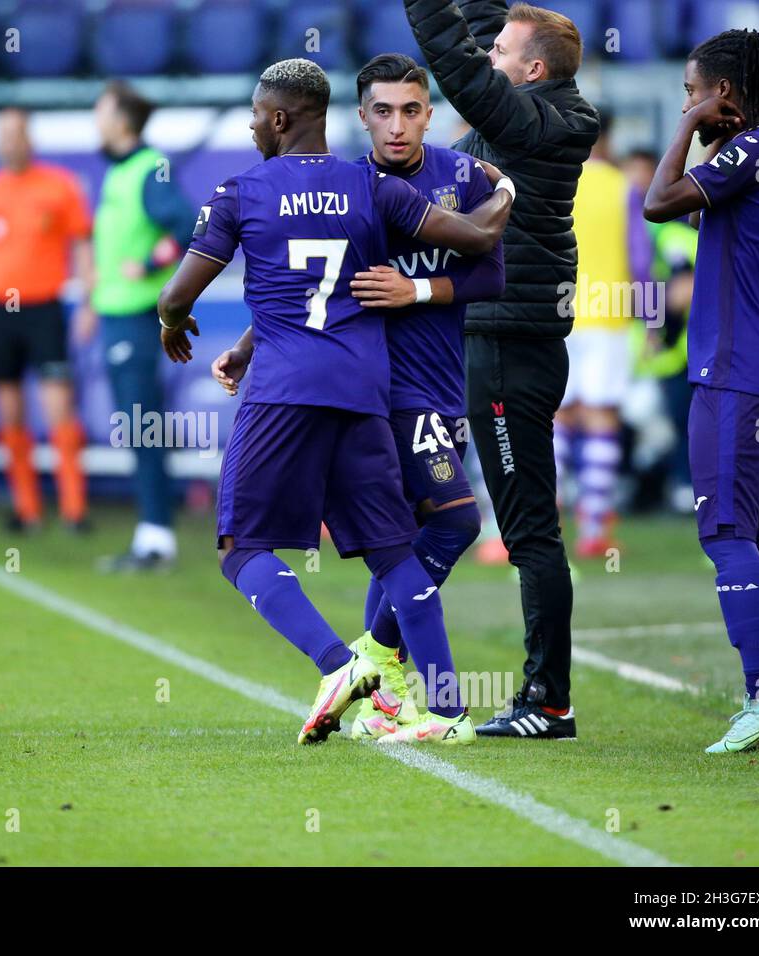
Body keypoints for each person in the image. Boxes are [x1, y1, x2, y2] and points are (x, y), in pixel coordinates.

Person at [159, 58, 514, 746]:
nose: (253, 125)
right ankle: (446, 709)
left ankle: (339, 663)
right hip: (362, 392)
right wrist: (504, 193)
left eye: (257, 114)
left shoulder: (242, 191)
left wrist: (175, 324)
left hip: (285, 394)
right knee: (395, 553)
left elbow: (177, 295)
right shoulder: (371, 187)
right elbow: (477, 240)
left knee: (240, 545)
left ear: (281, 117)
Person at [403, 0, 599, 739]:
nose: (491, 58)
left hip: (509, 346)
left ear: (534, 71)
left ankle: (549, 700)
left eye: (505, 53)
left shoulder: (550, 122)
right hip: (495, 336)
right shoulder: (536, 100)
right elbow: (483, 40)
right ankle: (391, 651)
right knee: (497, 516)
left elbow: (462, 70)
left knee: (528, 530)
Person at [643, 28, 759, 753]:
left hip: (734, 371)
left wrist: (683, 125)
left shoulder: (752, 151)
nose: (689, 104)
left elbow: (659, 201)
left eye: (694, 91)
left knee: (727, 532)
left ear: (725, 94)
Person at [0, 107, 95, 533]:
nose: (11, 141)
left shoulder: (60, 188)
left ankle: (74, 510)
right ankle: (28, 510)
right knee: (10, 414)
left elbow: (84, 247)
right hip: (0, 314)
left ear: (30, 138)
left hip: (44, 310)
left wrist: (90, 303)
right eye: (4, 134)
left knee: (58, 410)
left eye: (17, 133)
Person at [91, 81, 197, 571]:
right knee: (137, 428)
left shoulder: (148, 169)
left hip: (136, 320)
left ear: (121, 121)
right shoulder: (120, 172)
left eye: (101, 110)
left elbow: (188, 224)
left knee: (142, 427)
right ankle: (152, 532)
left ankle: (156, 538)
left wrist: (152, 263)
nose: (95, 118)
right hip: (115, 317)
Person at [556, 111, 649, 557]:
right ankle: (594, 528)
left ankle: (546, 524)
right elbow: (640, 256)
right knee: (601, 416)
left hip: (558, 312)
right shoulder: (621, 186)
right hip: (609, 314)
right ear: (607, 139)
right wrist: (650, 320)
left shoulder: (555, 180)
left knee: (556, 419)